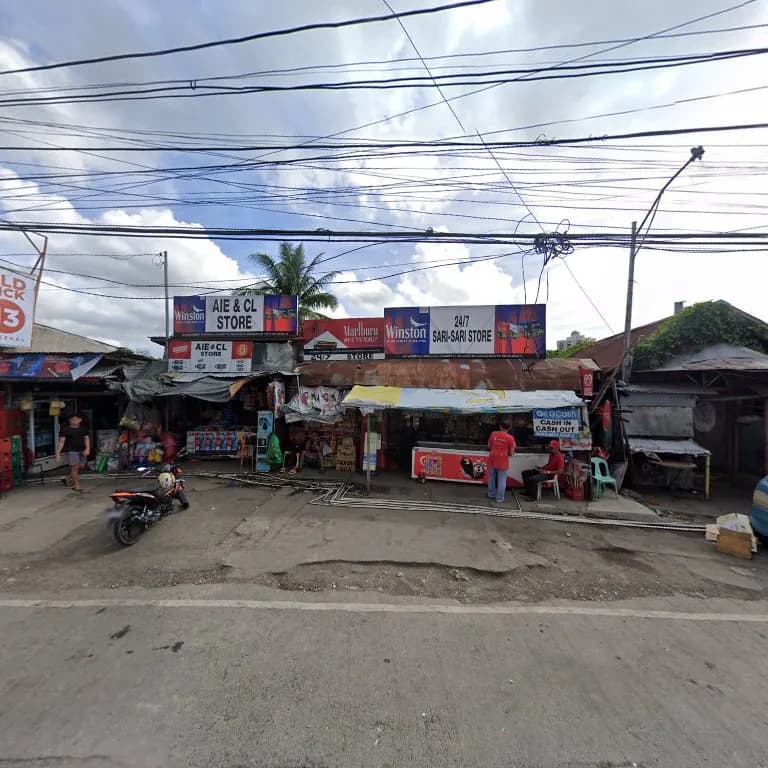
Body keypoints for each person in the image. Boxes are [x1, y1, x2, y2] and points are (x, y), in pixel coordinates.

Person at [55, 413, 90, 492]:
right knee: (75, 468)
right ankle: (76, 485)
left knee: (81, 467)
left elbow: (86, 439)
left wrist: (87, 448)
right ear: (69, 421)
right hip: (72, 451)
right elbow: (61, 442)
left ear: (80, 420)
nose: (74, 421)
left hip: (82, 450)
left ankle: (67, 478)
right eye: (72, 419)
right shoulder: (65, 430)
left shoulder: (83, 428)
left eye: (76, 419)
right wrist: (58, 453)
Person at [486, 419, 516, 503]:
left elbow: (489, 446)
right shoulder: (510, 438)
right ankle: (499, 498)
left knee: (491, 477)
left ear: (500, 426)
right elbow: (512, 453)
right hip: (503, 460)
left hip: (492, 459)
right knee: (502, 480)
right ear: (509, 428)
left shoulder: (493, 434)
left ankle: (491, 494)